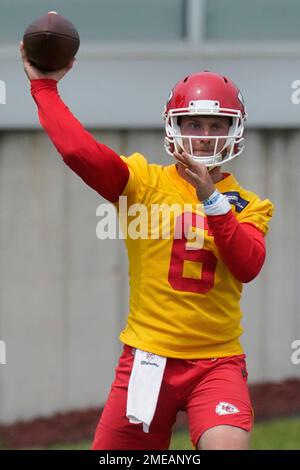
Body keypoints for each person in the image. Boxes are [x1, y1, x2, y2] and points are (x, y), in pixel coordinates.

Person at [20, 42, 273, 450]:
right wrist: (44, 88)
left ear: (235, 129)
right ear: (173, 126)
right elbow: (78, 151)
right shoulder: (144, 182)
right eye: (193, 124)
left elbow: (247, 264)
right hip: (148, 356)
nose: (204, 136)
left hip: (217, 362)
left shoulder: (250, 205)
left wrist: (211, 197)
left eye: (216, 125)